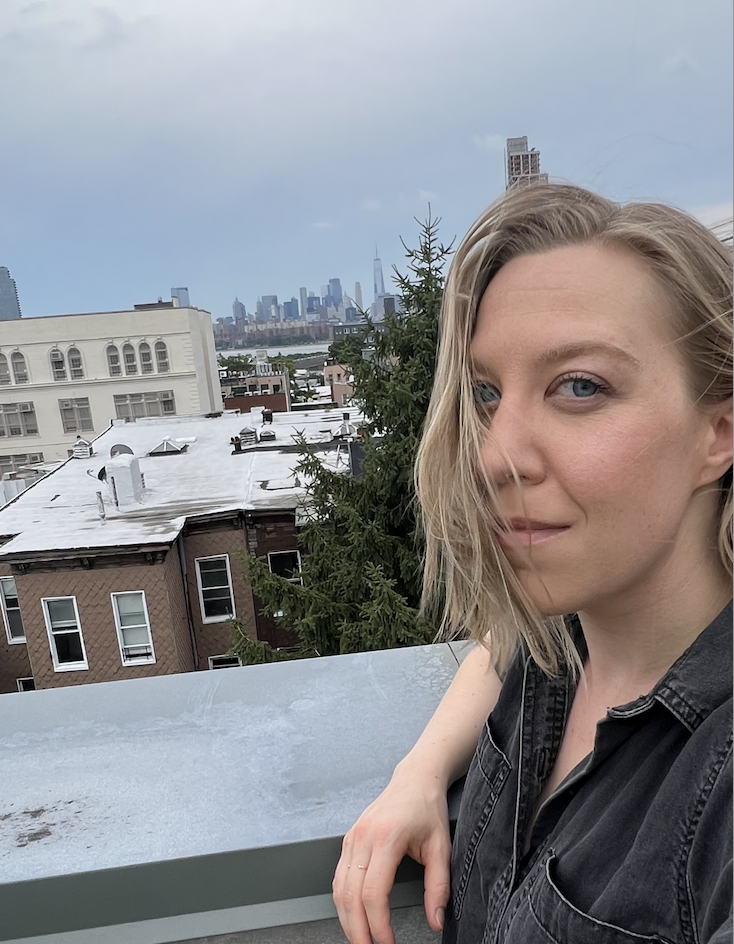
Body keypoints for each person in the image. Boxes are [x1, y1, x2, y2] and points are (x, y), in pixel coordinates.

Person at [333, 183, 733, 944]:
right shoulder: (564, 638)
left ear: (717, 432)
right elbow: (499, 647)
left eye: (579, 386)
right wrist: (417, 774)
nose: (494, 456)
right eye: (487, 392)